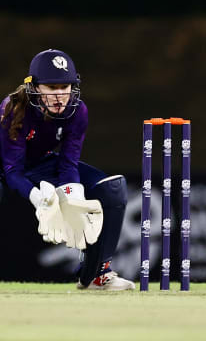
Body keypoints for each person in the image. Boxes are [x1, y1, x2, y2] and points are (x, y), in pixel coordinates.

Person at [0, 49, 135, 291]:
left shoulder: (78, 111)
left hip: (42, 164)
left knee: (112, 188)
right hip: (7, 169)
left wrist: (72, 195)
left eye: (66, 87)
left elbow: (68, 162)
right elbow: (11, 170)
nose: (60, 96)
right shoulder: (12, 109)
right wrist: (38, 198)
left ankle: (97, 274)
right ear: (35, 88)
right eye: (52, 88)